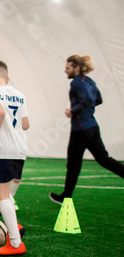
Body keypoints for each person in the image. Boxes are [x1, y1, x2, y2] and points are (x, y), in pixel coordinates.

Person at [49, 55, 124, 204]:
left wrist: (73, 111)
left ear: (77, 68)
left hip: (80, 130)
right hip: (92, 127)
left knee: (73, 164)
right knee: (104, 159)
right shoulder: (89, 81)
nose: (65, 71)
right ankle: (65, 195)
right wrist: (86, 111)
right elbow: (98, 99)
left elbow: (89, 99)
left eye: (68, 68)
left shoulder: (76, 82)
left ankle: (65, 197)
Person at [0, 60, 29, 256]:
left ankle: (16, 243)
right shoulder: (19, 94)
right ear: (7, 78)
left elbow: (0, 111)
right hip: (20, 148)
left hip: (4, 149)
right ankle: (14, 225)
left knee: (1, 196)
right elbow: (25, 124)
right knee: (7, 192)